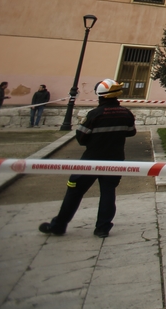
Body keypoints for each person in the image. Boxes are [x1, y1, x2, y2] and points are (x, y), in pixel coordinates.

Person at [39, 79, 136, 238]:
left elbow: (81, 137)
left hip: (91, 160)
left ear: (99, 95)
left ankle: (59, 225)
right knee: (108, 193)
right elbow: (131, 132)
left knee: (74, 190)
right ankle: (102, 228)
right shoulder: (126, 113)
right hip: (115, 159)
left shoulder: (94, 114)